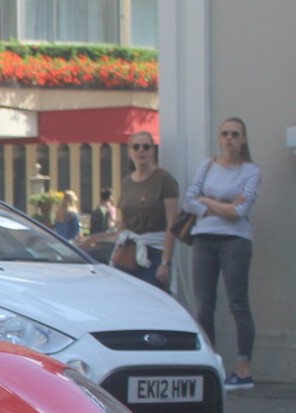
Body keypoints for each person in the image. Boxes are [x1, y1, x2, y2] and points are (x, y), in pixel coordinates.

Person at [183, 116, 262, 390]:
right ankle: (211, 368)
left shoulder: (251, 171)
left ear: (243, 140)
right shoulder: (207, 165)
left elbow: (240, 212)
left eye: (235, 134)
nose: (229, 138)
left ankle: (243, 370)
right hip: (204, 241)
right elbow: (190, 201)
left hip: (235, 242)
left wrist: (207, 201)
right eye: (225, 134)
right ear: (219, 138)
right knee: (203, 306)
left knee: (238, 303)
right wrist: (219, 203)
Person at [112, 131, 178, 290]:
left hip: (155, 251)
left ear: (152, 151)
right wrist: (117, 250)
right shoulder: (127, 182)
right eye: (136, 147)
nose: (141, 150)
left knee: (153, 298)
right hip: (130, 250)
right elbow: (124, 223)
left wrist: (165, 262)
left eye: (146, 147)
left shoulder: (164, 179)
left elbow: (173, 224)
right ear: (130, 151)